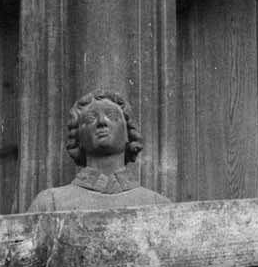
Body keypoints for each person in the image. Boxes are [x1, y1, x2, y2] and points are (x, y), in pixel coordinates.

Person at [26, 90, 170, 212]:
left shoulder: (158, 204)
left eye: (112, 117)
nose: (102, 122)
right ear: (78, 137)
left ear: (128, 133)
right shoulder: (49, 204)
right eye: (90, 118)